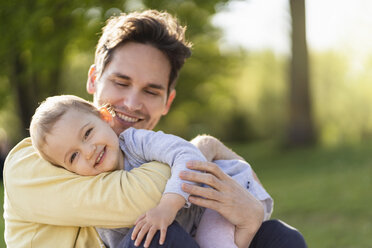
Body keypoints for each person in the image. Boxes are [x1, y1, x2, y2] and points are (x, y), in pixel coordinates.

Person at [3, 9, 307, 248]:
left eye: (151, 91)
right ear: (94, 78)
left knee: (280, 238)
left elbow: (240, 193)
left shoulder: (136, 149)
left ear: (167, 102)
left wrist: (250, 218)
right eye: (121, 83)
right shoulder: (31, 161)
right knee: (156, 237)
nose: (132, 103)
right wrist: (202, 150)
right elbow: (144, 199)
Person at [29, 94, 273, 248]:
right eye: (73, 156)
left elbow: (186, 153)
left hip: (218, 195)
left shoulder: (135, 141)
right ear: (66, 170)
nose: (88, 151)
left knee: (213, 242)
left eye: (87, 133)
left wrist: (167, 206)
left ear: (105, 117)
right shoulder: (91, 190)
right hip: (190, 224)